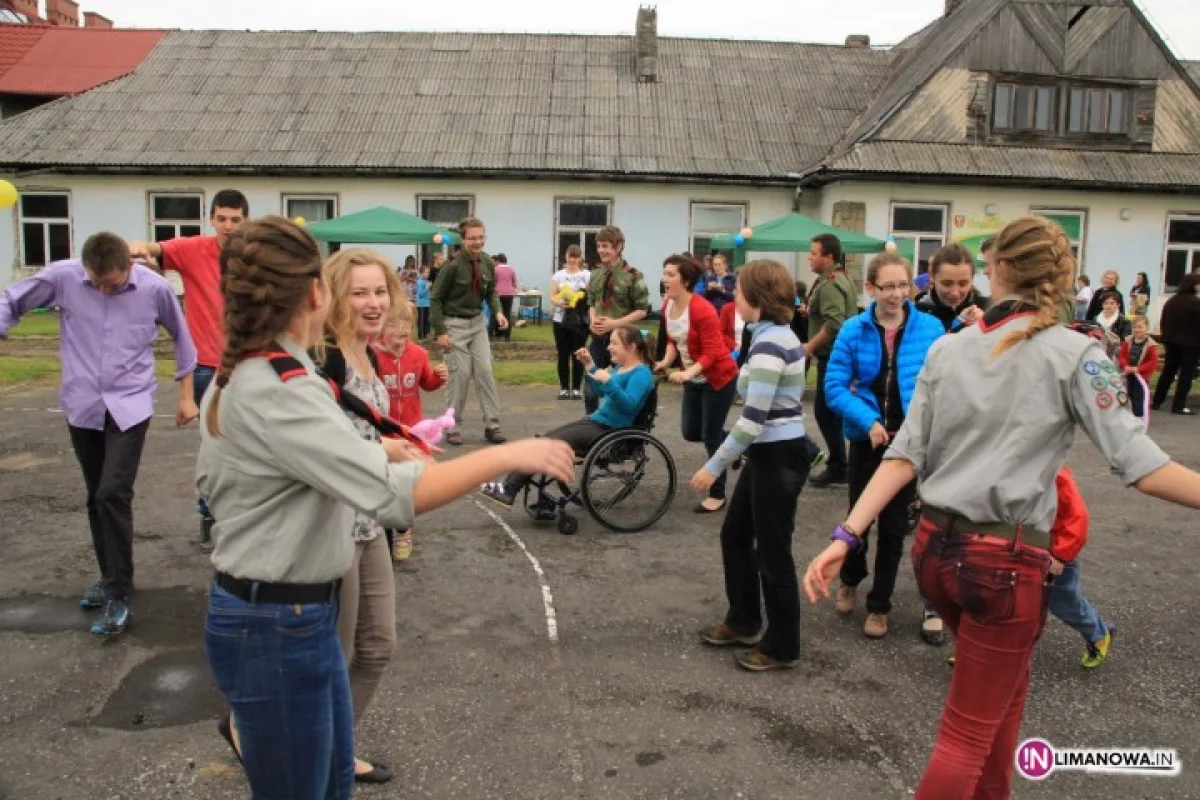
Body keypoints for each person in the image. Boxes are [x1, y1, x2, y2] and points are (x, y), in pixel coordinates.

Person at [802, 215, 1200, 799]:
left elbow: (903, 456)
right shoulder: (1076, 354)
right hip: (1002, 566)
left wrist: (846, 535)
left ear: (998, 270)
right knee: (965, 736)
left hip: (935, 552)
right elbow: (1141, 466)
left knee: (1004, 699)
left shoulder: (948, 348)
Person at [199, 216, 574, 797]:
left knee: (327, 782)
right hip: (275, 624)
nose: (373, 303)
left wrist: (376, 448)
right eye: (358, 290)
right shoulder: (281, 387)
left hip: (294, 615)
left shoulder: (265, 372)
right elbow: (396, 499)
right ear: (318, 291)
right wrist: (512, 454)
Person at [0, 233, 198, 636]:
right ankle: (110, 577)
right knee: (96, 496)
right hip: (83, 405)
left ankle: (119, 593)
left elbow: (182, 336)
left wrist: (186, 395)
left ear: (128, 265)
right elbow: (10, 299)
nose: (106, 289)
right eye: (99, 283)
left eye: (113, 282)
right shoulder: (64, 276)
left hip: (130, 405)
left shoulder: (155, 288)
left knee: (113, 493)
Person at [694, 260, 811, 672]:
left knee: (773, 552)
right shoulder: (768, 336)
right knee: (736, 535)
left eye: (738, 290)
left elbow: (752, 419)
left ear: (756, 297)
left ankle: (782, 646)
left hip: (778, 456)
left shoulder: (770, 343)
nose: (733, 296)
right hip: (768, 454)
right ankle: (744, 620)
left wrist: (714, 466)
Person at [823, 253, 944, 640]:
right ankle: (850, 579)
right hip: (866, 441)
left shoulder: (930, 328)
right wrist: (867, 421)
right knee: (860, 518)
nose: (896, 294)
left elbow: (942, 382)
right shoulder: (853, 329)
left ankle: (880, 605)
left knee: (894, 528)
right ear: (870, 288)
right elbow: (834, 387)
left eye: (902, 285)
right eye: (887, 286)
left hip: (908, 444)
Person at [129, 188, 249, 553]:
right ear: (212, 219)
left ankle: (242, 515)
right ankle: (208, 513)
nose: (228, 226)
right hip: (205, 366)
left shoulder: (255, 256)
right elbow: (150, 249)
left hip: (247, 365)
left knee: (247, 442)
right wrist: (136, 249)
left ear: (246, 221)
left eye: (236, 219)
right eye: (222, 218)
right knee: (212, 443)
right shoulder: (193, 249)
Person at [480, 325, 655, 507]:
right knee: (545, 441)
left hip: (609, 431)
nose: (609, 347)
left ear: (632, 347)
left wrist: (609, 382)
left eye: (614, 343)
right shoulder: (621, 368)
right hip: (598, 423)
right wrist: (590, 366)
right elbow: (602, 391)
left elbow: (628, 406)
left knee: (546, 444)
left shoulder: (641, 373)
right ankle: (510, 487)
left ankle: (509, 489)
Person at [654, 254, 738, 514]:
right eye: (664, 273)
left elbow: (714, 352)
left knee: (710, 435)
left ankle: (718, 493)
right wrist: (665, 362)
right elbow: (673, 340)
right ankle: (738, 446)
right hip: (693, 377)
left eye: (670, 274)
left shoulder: (702, 309)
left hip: (718, 379)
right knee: (691, 431)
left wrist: (688, 373)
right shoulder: (668, 305)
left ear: (686, 280)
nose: (664, 279)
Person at [376, 301, 448, 561]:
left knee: (405, 486)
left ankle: (403, 529)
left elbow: (426, 383)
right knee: (382, 483)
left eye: (407, 324)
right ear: (381, 327)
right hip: (382, 433)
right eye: (394, 323)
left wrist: (437, 378)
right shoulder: (372, 355)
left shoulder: (418, 354)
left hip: (410, 431)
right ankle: (382, 536)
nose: (402, 330)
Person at [430, 216, 507, 446]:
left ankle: (493, 425)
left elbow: (491, 292)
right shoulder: (451, 267)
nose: (477, 242)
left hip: (477, 324)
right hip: (455, 325)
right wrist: (441, 331)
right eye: (472, 238)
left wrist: (498, 312)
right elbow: (435, 299)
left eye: (481, 237)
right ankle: (453, 426)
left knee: (485, 371)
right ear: (463, 239)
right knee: (459, 376)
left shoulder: (487, 263)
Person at [1045, 466, 1116, 669]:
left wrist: (1060, 554)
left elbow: (1078, 517)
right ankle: (981, 651)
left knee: (1064, 602)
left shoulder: (1054, 471)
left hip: (1053, 551)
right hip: (1017, 548)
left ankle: (1099, 634)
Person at [805, 234, 857, 488]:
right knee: (829, 412)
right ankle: (841, 464)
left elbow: (835, 323)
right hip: (840, 354)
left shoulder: (829, 284)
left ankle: (839, 465)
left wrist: (809, 346)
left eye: (814, 253)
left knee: (826, 413)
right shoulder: (840, 278)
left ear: (829, 257)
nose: (809, 257)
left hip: (832, 355)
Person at [584, 225, 651, 414]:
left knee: (618, 389)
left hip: (622, 341)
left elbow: (642, 310)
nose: (601, 251)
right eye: (599, 246)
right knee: (590, 390)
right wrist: (593, 320)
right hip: (597, 339)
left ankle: (618, 429)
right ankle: (593, 424)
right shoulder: (595, 273)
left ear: (619, 246)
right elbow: (592, 302)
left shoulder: (633, 276)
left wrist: (614, 324)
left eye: (605, 246)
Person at [1152, 271, 1200, 416]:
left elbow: (1164, 321)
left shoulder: (1171, 301)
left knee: (1168, 372)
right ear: (1193, 285)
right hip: (1191, 344)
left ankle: (1157, 401)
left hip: (1171, 341)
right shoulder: (1196, 303)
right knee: (1186, 374)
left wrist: (1166, 338)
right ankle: (1179, 405)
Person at [914, 243, 988, 331]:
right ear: (932, 276)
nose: (955, 293)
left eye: (962, 284)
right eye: (947, 284)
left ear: (972, 279)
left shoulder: (989, 309)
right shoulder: (915, 313)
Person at [551, 245, 591, 400]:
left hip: (580, 321)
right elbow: (553, 295)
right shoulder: (558, 276)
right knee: (563, 354)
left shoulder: (587, 275)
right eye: (570, 256)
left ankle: (575, 389)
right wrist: (560, 303)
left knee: (578, 354)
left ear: (580, 258)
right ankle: (563, 388)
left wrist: (581, 298)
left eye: (576, 256)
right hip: (561, 320)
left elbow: (591, 295)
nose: (572, 259)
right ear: (565, 256)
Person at [1117, 315, 1158, 423]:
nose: (1137, 330)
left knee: (1138, 397)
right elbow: (1122, 355)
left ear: (1146, 328)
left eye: (1140, 327)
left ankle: (1139, 417)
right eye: (1135, 327)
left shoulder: (1151, 345)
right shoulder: (1128, 341)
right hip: (1128, 373)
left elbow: (1152, 362)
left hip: (1141, 376)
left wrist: (1138, 369)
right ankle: (1128, 416)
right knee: (1127, 395)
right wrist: (1125, 365)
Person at [1094, 290, 1132, 358]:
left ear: (1118, 305)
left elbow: (1125, 342)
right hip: (1097, 352)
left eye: (1112, 303)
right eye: (1106, 303)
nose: (1109, 306)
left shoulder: (1125, 321)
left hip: (1115, 355)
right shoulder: (1096, 319)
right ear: (1102, 305)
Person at [492, 253, 518, 341]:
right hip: (509, 294)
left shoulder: (495, 269)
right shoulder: (511, 269)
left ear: (498, 261)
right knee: (507, 313)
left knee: (498, 313)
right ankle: (507, 335)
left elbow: (493, 282)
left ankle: (498, 333)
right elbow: (514, 283)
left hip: (497, 294)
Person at [415, 266, 432, 339]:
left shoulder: (427, 281)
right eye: (426, 272)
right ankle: (421, 336)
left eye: (428, 272)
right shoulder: (420, 282)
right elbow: (420, 294)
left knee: (427, 321)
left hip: (427, 304)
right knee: (421, 321)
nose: (427, 274)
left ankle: (426, 335)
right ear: (421, 273)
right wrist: (427, 288)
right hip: (421, 304)